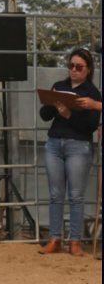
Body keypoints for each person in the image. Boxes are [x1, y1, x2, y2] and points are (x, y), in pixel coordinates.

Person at [38, 48, 101, 256]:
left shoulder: (92, 93)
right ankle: (55, 238)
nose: (74, 70)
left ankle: (75, 241)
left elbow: (90, 126)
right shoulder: (60, 86)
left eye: (79, 67)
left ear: (88, 69)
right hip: (54, 143)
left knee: (75, 196)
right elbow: (45, 115)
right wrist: (51, 102)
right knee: (55, 195)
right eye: (71, 65)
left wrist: (67, 114)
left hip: (78, 145)